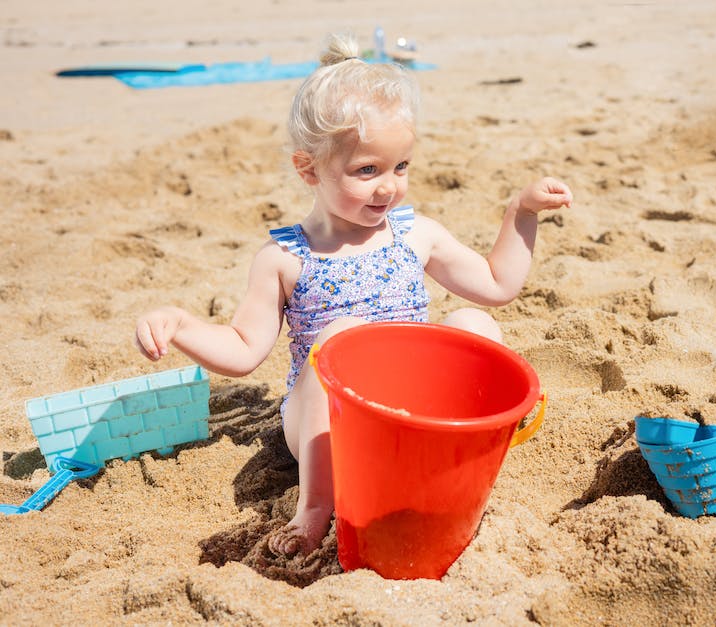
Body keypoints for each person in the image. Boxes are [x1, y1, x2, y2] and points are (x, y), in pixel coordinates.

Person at [134, 33, 573, 557]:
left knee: (474, 326)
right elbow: (243, 350)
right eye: (367, 171)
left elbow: (498, 284)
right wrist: (181, 324)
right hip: (329, 426)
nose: (388, 187)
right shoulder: (286, 259)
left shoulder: (415, 234)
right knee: (341, 337)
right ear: (308, 169)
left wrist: (520, 213)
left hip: (410, 413)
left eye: (400, 167)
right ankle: (316, 507)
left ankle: (461, 463)